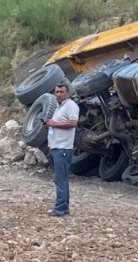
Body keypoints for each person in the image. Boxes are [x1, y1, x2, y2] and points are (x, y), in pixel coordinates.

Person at [44, 80, 79, 217]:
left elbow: (73, 123)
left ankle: (60, 209)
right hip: (55, 147)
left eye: (61, 92)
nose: (58, 94)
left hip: (63, 148)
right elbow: (59, 123)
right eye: (56, 92)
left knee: (61, 179)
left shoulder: (71, 106)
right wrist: (49, 125)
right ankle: (63, 207)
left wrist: (55, 123)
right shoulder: (59, 107)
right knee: (59, 179)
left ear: (68, 93)